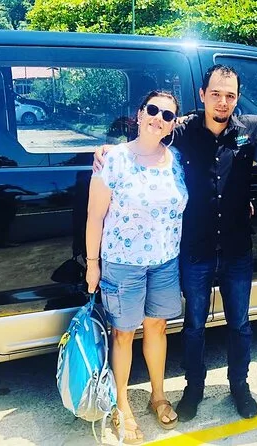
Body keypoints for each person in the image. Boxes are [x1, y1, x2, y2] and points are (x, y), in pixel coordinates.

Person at [95, 65, 257, 422]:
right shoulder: (183, 129)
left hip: (237, 248)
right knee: (194, 325)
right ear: (203, 94)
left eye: (230, 95)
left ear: (237, 98)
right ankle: (193, 389)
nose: (222, 102)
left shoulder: (249, 129)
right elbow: (149, 133)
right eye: (216, 94)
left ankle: (239, 386)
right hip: (195, 250)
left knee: (240, 324)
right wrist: (110, 148)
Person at [85, 91, 188, 444]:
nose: (159, 118)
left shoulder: (176, 159)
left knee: (157, 328)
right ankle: (122, 405)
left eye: (168, 115)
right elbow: (95, 217)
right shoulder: (113, 159)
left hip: (165, 262)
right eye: (153, 110)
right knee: (124, 334)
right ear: (140, 113)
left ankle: (158, 395)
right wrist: (93, 264)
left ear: (173, 124)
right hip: (123, 264)